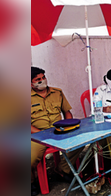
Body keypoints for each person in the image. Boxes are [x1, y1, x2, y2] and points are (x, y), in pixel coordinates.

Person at [31, 67, 83, 195]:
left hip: (59, 130)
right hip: (37, 135)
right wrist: (40, 134)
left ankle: (62, 169)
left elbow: (67, 112)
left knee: (80, 141)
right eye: (38, 79)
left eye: (43, 77)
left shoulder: (57, 92)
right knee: (30, 157)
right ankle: (30, 181)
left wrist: (68, 126)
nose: (42, 80)